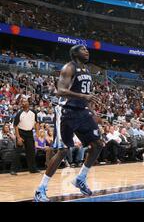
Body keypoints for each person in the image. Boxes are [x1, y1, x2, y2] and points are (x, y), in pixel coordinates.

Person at [34, 45, 104, 202]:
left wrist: (92, 111)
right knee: (63, 150)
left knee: (98, 144)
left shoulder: (86, 70)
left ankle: (80, 178)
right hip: (66, 111)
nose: (87, 51)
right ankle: (41, 189)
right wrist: (82, 97)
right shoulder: (68, 68)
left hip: (82, 112)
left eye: (87, 49)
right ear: (75, 53)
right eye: (83, 49)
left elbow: (87, 95)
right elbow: (59, 91)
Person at [13, 99, 39, 173]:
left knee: (31, 152)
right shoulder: (19, 113)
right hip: (21, 133)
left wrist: (37, 132)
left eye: (25, 101)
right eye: (22, 102)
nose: (24, 103)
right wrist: (18, 137)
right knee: (17, 152)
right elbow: (15, 126)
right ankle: (13, 170)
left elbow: (36, 122)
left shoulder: (34, 112)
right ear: (21, 104)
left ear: (28, 103)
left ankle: (32, 169)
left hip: (30, 133)